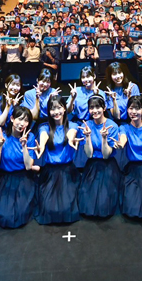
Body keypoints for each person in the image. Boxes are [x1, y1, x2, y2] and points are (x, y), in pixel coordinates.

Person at [34, 95, 80, 224]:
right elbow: (43, 138)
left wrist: (71, 140)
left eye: (59, 108)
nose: (56, 112)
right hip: (50, 172)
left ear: (65, 109)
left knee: (66, 209)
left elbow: (71, 134)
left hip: (67, 171)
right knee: (50, 210)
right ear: (48, 112)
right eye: (52, 109)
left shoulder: (73, 125)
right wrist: (41, 146)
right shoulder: (44, 127)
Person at [0, 106, 36, 228]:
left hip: (23, 178)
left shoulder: (30, 137)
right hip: (4, 179)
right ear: (12, 118)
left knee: (20, 214)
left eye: (26, 121)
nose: (22, 124)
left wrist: (24, 146)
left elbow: (28, 166)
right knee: (5, 216)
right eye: (19, 119)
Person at [76, 95, 121, 219]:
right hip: (92, 165)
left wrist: (104, 138)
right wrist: (87, 137)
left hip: (108, 165)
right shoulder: (87, 125)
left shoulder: (112, 126)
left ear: (104, 107)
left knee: (104, 202)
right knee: (87, 201)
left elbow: (106, 155)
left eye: (97, 107)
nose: (94, 110)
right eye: (91, 108)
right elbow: (89, 154)